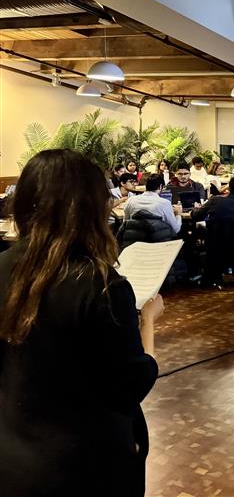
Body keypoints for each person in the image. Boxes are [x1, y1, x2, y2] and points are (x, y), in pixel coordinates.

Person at [0, 148, 163, 496]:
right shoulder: (101, 286)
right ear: (91, 209)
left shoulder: (2, 267)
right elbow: (131, 385)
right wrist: (147, 321)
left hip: (13, 454)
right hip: (85, 463)